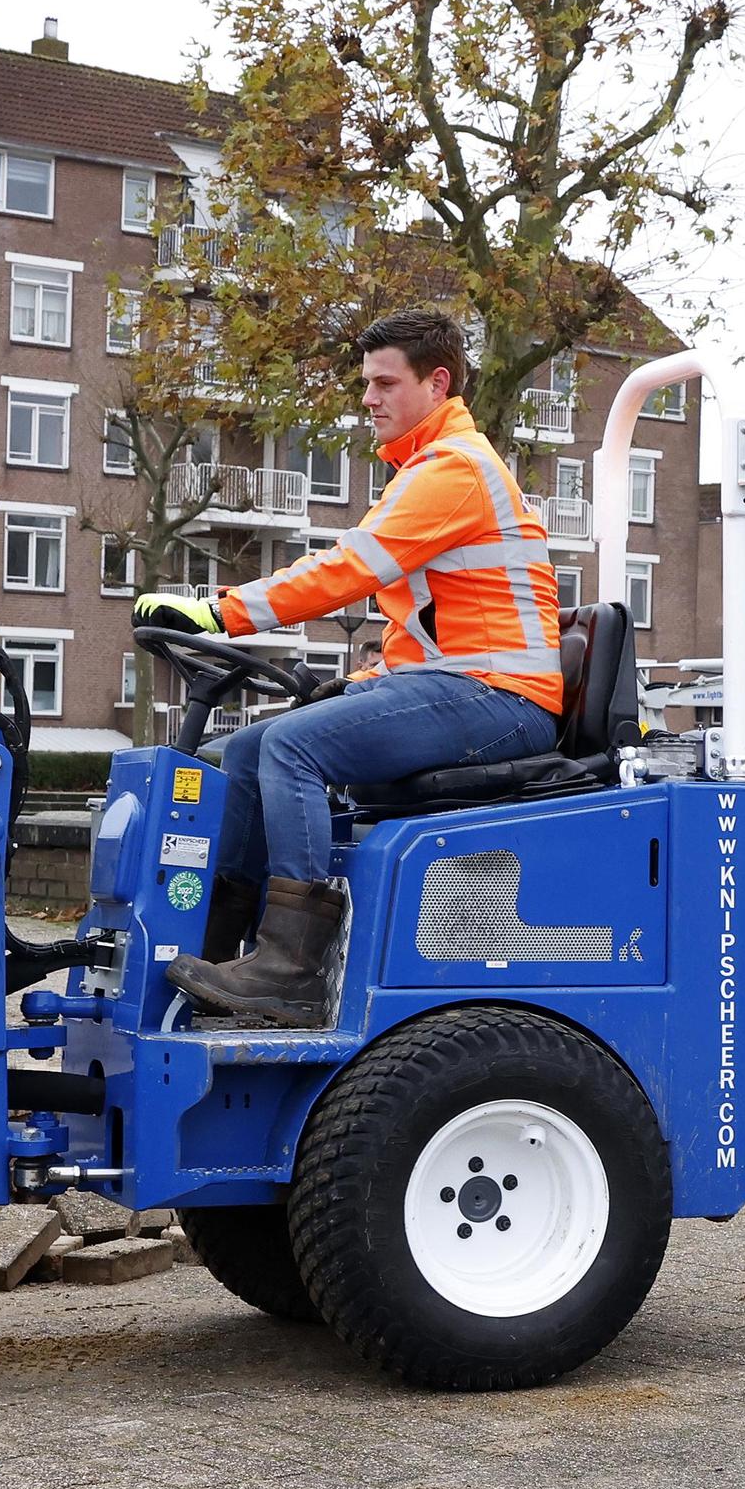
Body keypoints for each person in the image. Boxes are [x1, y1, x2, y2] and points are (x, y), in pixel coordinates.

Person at [132, 308, 562, 1026]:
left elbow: (350, 569)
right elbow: (426, 631)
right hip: (459, 684)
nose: (368, 399)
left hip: (502, 699)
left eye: (385, 383)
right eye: (367, 384)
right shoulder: (422, 470)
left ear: (438, 383)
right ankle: (211, 949)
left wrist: (223, 613)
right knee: (247, 746)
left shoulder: (455, 470)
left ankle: (290, 969)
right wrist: (358, 684)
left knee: (294, 746)